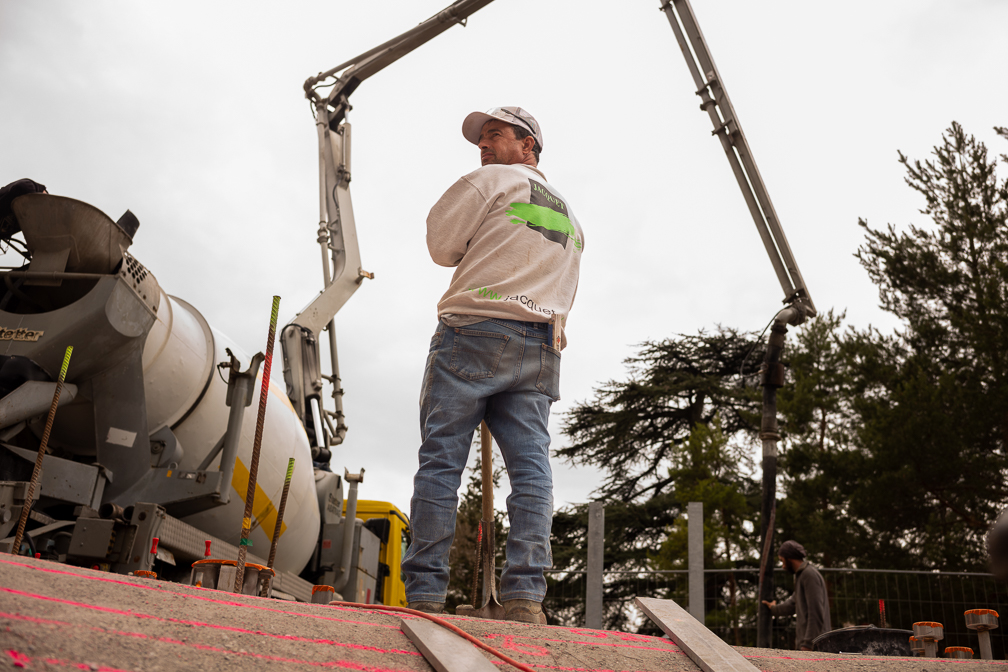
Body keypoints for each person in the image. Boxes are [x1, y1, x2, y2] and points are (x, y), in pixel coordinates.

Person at [400, 106, 584, 625]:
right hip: (541, 344)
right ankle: (525, 597)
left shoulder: (492, 181)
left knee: (440, 462)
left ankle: (426, 595)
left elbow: (442, 247)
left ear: (529, 147)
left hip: (474, 333)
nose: (483, 145)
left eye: (496, 135)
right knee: (531, 471)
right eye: (481, 138)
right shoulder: (571, 216)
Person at [761, 540, 832, 650]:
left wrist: (808, 644)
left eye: (782, 560)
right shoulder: (801, 576)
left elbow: (816, 611)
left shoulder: (809, 575)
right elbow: (792, 605)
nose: (783, 566)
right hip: (810, 645)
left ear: (789, 558)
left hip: (816, 647)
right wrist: (774, 608)